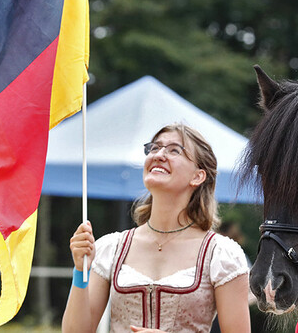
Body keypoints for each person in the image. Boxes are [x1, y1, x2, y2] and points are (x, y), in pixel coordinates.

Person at [62, 123, 251, 333]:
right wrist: (80, 270)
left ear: (198, 176)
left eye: (174, 150)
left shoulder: (222, 254)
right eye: (154, 148)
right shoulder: (111, 247)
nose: (159, 154)